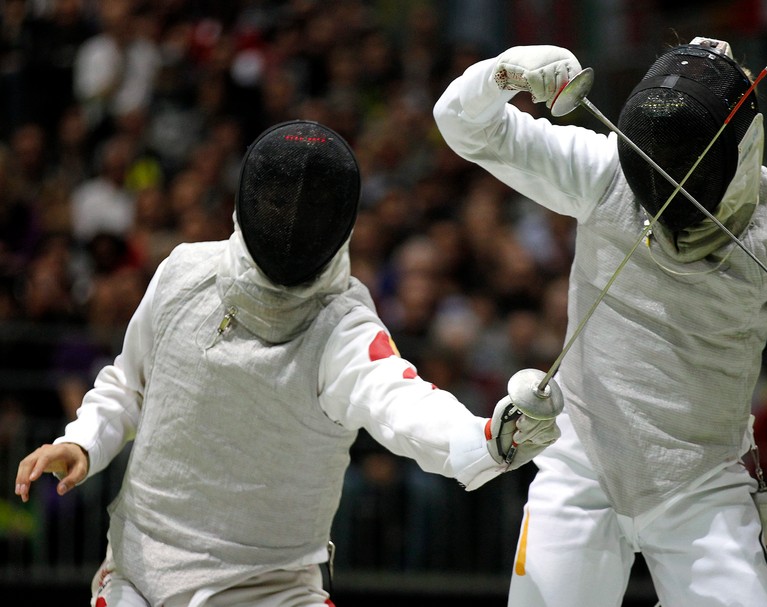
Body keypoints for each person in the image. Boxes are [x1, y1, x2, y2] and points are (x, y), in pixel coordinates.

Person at [13, 120, 560, 607]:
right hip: (139, 572)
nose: (292, 217)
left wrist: (488, 437)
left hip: (269, 588)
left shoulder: (342, 325)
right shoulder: (184, 274)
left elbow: (402, 401)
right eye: (277, 200)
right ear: (250, 197)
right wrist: (82, 440)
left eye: (312, 207)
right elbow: (127, 385)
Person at [433, 39, 767, 606]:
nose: (666, 178)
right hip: (581, 467)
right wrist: (502, 73)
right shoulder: (609, 170)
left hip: (705, 482)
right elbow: (464, 126)